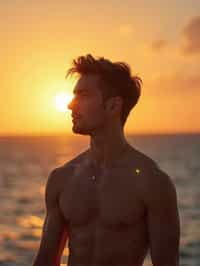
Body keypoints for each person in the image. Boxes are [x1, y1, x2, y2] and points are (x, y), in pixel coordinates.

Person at [33, 54, 180, 266]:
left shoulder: (153, 183)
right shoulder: (62, 179)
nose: (70, 105)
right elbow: (45, 262)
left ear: (113, 106)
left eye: (83, 96)